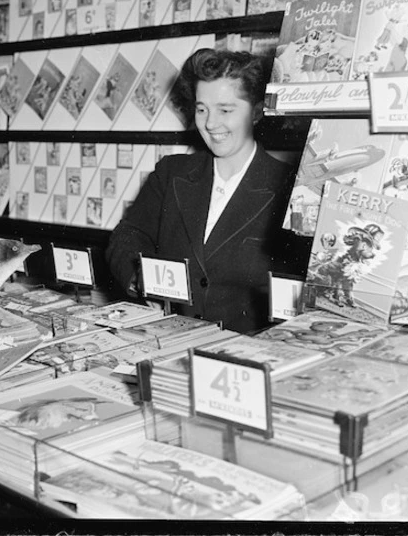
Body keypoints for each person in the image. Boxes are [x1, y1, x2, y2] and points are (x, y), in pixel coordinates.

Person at [106, 48, 305, 334]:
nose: (211, 123)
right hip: (168, 339)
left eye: (225, 110)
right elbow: (129, 235)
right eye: (202, 109)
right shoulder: (171, 173)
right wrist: (138, 277)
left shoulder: (290, 187)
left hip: (248, 353)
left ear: (257, 112)